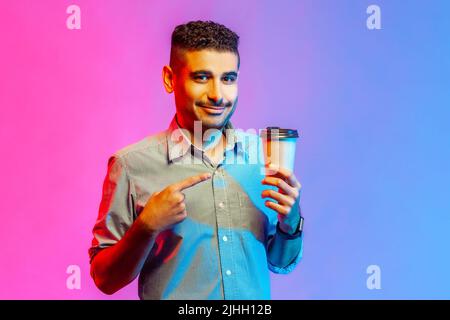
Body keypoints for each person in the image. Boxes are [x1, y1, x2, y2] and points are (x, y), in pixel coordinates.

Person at [89, 20, 304, 300]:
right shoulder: (130, 166)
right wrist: (146, 227)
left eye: (228, 78)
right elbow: (105, 280)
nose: (217, 95)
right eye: (201, 77)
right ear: (170, 79)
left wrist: (292, 224)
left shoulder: (264, 156)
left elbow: (280, 263)